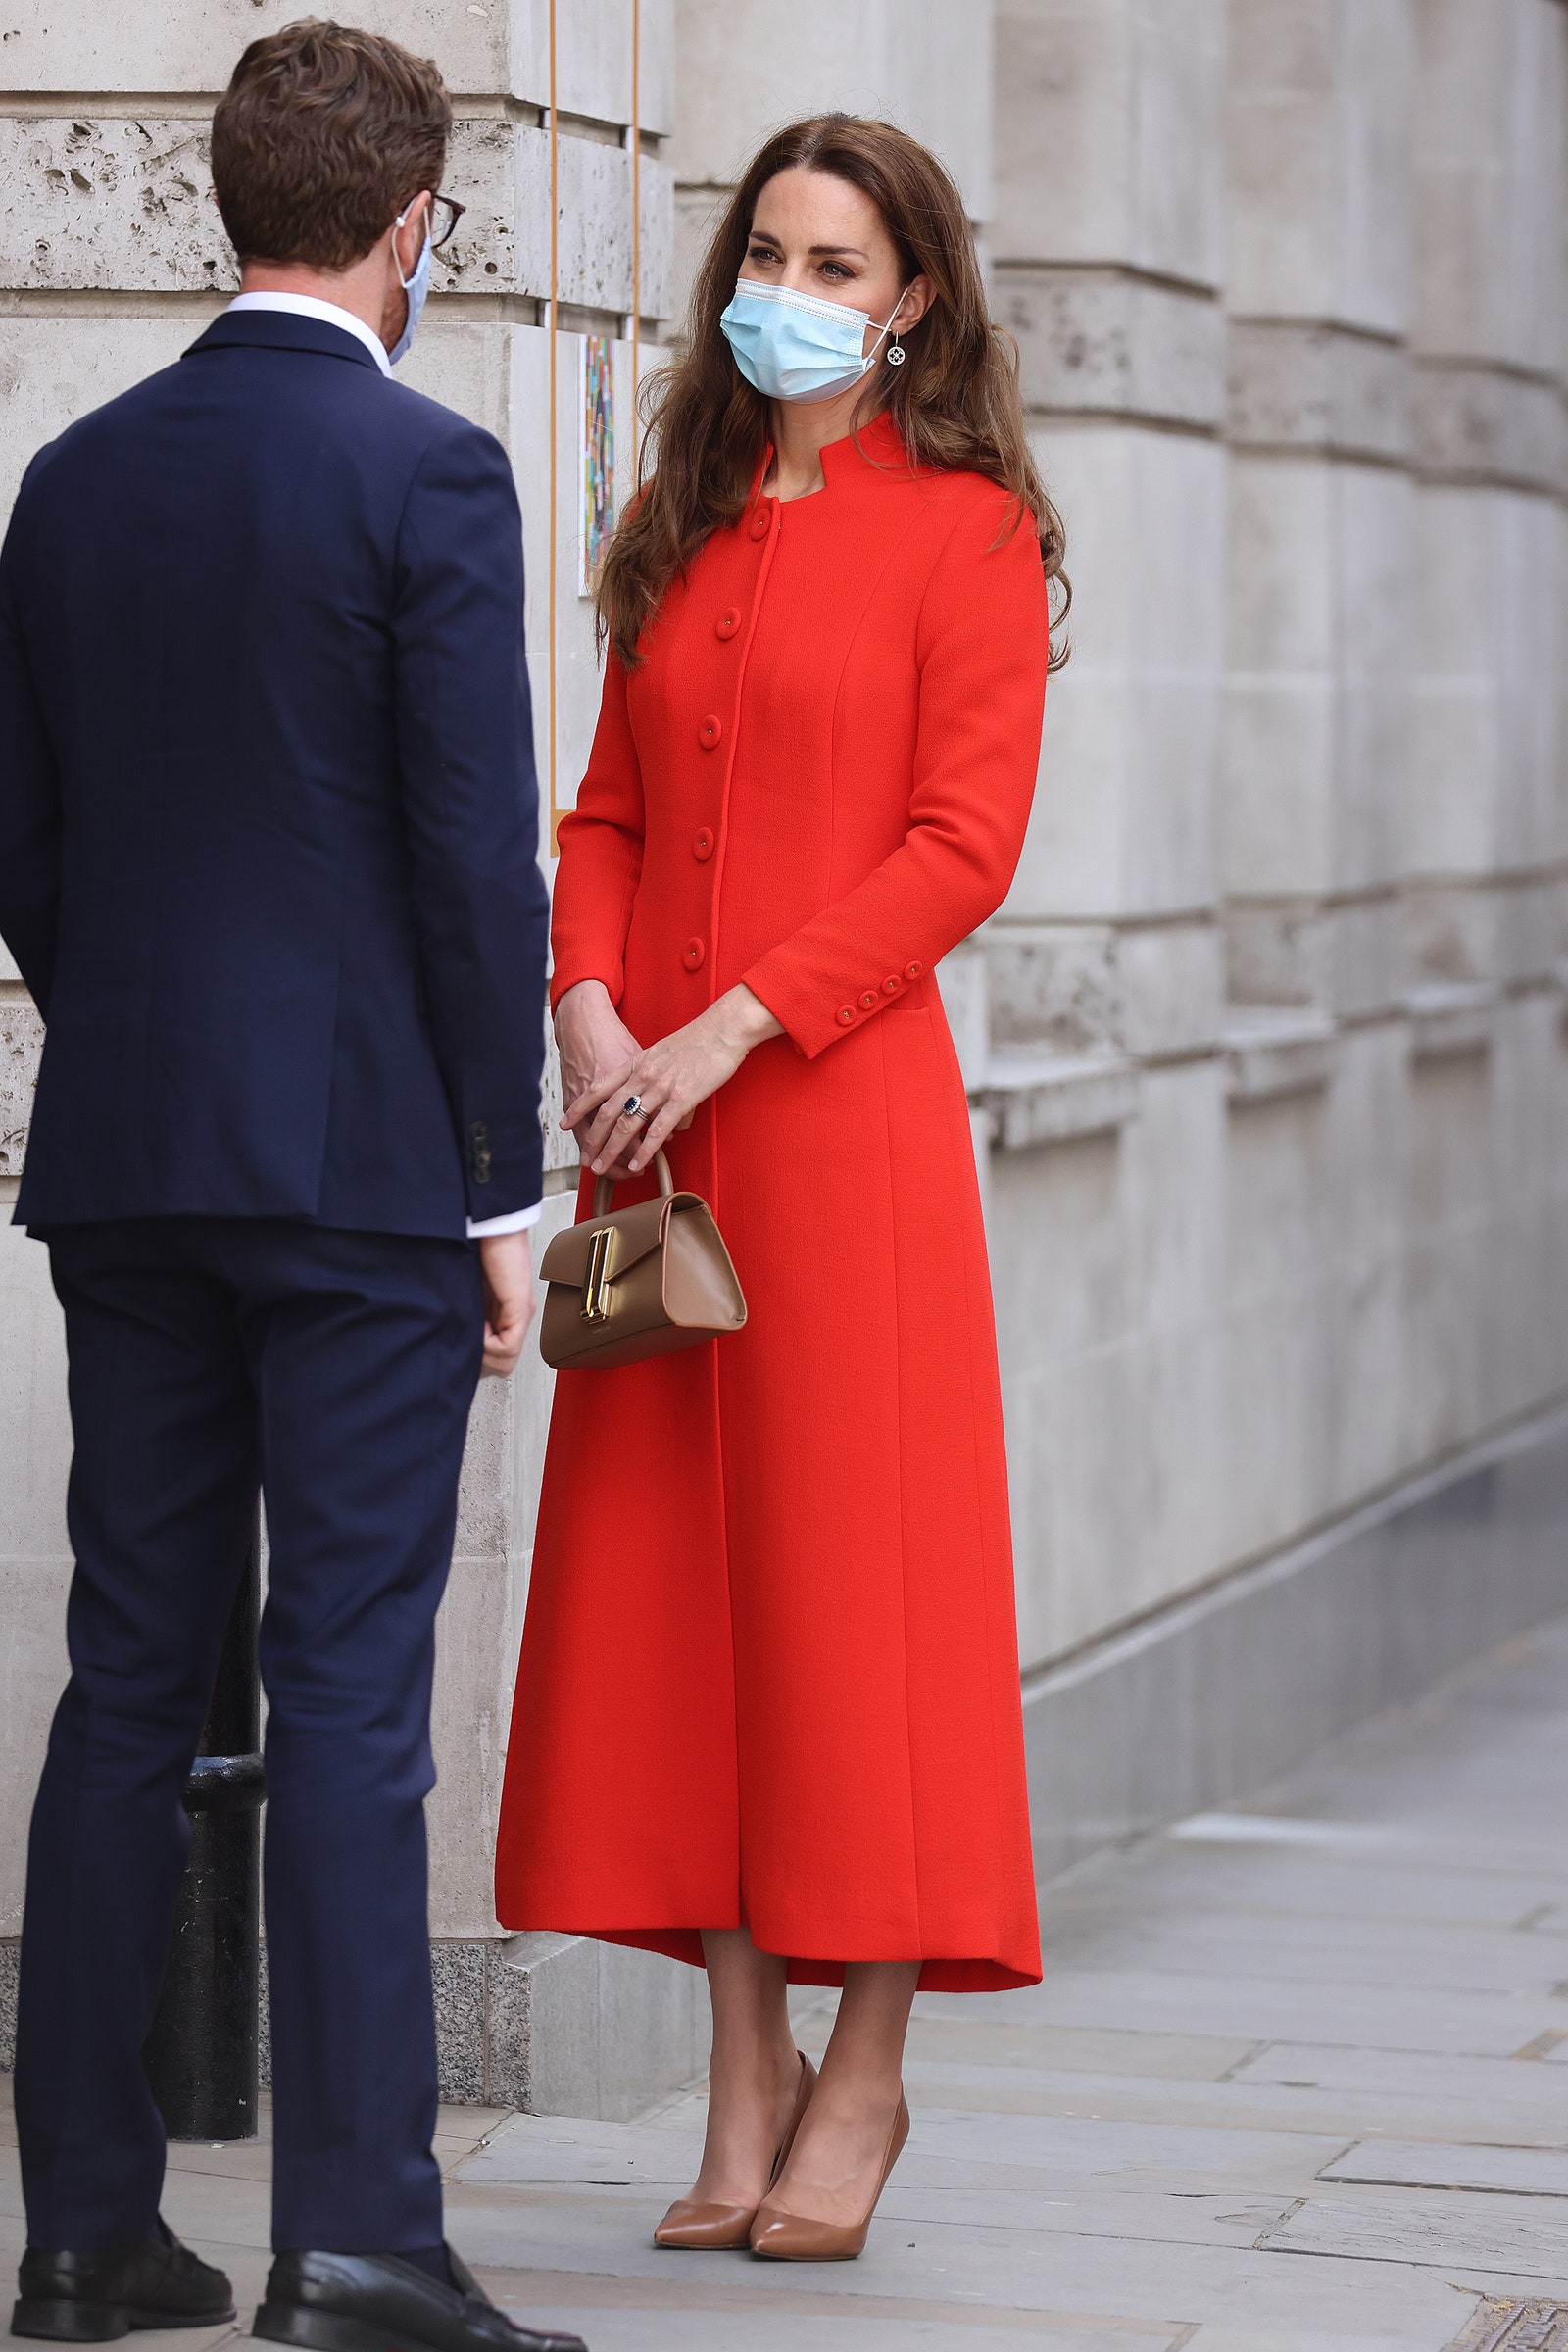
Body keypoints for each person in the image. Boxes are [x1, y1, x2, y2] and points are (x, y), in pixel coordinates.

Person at [0, 23, 582, 2352]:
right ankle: (354, 2241)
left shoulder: (72, 476)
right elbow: (472, 864)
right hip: (357, 1179)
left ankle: (81, 2234)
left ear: (214, 205)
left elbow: (29, 847)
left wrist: (144, 1038)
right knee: (350, 1696)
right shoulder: (428, 475)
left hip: (129, 1157)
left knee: (122, 1677)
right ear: (411, 223)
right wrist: (498, 1190)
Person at [494, 113, 1065, 2262]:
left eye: (839, 264)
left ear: (910, 298)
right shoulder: (681, 515)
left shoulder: (969, 537)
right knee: (684, 1607)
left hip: (839, 1137)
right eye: (770, 252)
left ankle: (873, 2069)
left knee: (856, 1611)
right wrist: (588, 1014)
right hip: (656, 1131)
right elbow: (606, 808)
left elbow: (959, 845)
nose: (796, 293)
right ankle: (741, 2071)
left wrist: (732, 1023)